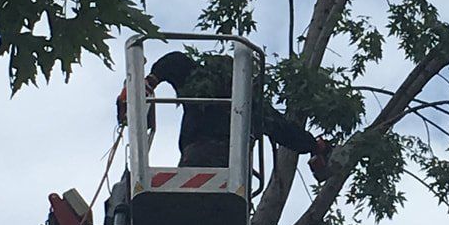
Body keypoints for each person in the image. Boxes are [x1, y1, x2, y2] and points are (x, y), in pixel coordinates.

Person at [117, 50, 333, 180]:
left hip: (196, 155)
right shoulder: (249, 101)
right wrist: (315, 146)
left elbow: (175, 62)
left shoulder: (198, 80)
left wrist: (149, 82)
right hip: (232, 164)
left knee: (188, 205)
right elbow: (283, 130)